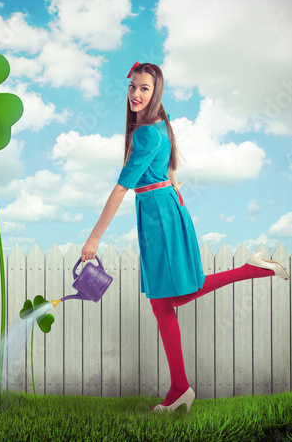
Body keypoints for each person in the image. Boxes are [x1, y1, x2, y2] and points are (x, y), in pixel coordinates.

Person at [81, 61, 290, 413]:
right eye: (132, 87)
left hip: (158, 215)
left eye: (144, 88)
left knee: (172, 298)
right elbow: (170, 165)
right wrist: (174, 186)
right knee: (164, 304)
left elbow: (120, 188)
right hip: (161, 208)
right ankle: (180, 387)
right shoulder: (160, 123)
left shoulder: (146, 132)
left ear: (155, 91)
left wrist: (94, 238)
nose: (135, 94)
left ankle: (253, 270)